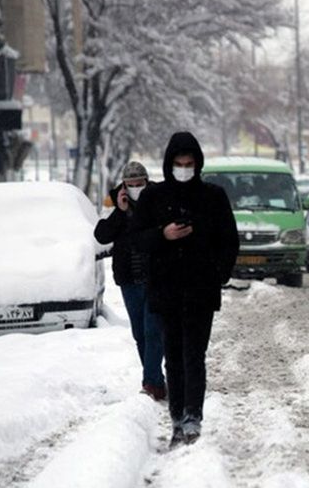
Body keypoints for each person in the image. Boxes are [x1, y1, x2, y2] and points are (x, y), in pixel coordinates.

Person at [131, 132, 239, 446]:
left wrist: (219, 272)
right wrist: (163, 234)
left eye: (189, 164)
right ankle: (177, 417)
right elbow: (137, 238)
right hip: (165, 290)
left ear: (197, 164)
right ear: (168, 164)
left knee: (195, 355)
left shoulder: (212, 196)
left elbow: (229, 240)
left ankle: (193, 417)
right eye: (178, 164)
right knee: (173, 357)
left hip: (201, 289)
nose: (183, 169)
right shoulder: (154, 197)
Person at [94, 161, 166, 401]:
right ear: (124, 185)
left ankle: (151, 383)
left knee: (153, 329)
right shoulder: (114, 201)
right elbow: (102, 234)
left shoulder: (158, 197)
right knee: (140, 333)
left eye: (140, 184)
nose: (136, 188)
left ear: (147, 182)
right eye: (131, 184)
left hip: (156, 276)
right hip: (129, 279)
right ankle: (156, 378)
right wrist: (120, 211)